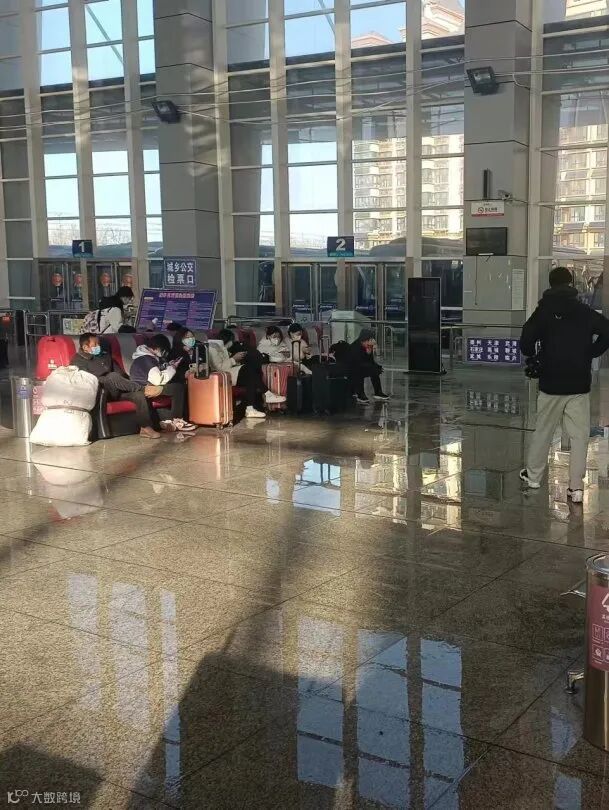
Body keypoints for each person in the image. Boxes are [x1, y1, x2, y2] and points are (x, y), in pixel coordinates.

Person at [520, 266, 609, 502]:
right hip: (578, 384)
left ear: (551, 284)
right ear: (571, 284)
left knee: (543, 431)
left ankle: (534, 477)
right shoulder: (583, 310)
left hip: (551, 383)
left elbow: (526, 341)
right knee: (579, 436)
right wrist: (591, 352)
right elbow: (607, 330)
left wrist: (534, 354)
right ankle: (576, 487)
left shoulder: (543, 310)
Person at [71, 333, 164, 439]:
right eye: (95, 344)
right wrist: (109, 379)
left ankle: (145, 428)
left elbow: (121, 374)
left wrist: (123, 382)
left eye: (99, 343)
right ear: (85, 347)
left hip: (116, 389)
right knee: (112, 376)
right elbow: (86, 380)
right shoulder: (78, 361)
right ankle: (144, 389)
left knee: (139, 395)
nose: (98, 346)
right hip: (100, 392)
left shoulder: (105, 355)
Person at [208, 328, 286, 418]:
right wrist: (234, 359)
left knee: (251, 373)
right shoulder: (213, 348)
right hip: (222, 376)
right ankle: (266, 394)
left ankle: (251, 407)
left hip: (231, 371)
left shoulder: (224, 348)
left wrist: (237, 359)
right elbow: (220, 368)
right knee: (250, 370)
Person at [130, 334, 195, 432]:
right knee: (178, 388)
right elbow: (158, 380)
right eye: (163, 350)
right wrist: (172, 368)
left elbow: (157, 371)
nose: (164, 353)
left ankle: (172, 419)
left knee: (178, 387)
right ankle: (177, 420)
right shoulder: (146, 359)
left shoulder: (146, 357)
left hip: (148, 386)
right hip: (147, 388)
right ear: (157, 348)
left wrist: (168, 366)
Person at [348, 328, 390, 404]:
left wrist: (377, 367)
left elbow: (371, 361)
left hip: (362, 366)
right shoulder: (355, 347)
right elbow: (357, 364)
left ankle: (378, 392)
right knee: (359, 371)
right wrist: (370, 364)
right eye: (369, 340)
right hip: (353, 369)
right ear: (363, 340)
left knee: (375, 370)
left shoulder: (368, 346)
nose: (370, 342)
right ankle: (360, 394)